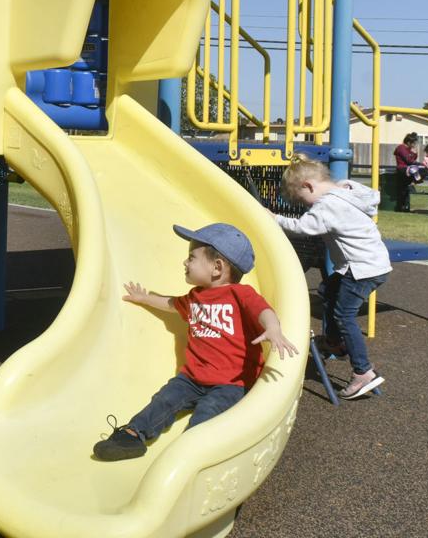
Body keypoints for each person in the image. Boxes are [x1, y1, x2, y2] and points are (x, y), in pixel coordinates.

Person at [93, 223, 297, 461]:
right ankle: (132, 434)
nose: (185, 263)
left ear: (217, 267)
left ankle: (189, 456)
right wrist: (145, 298)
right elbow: (170, 304)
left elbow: (264, 311)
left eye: (192, 257)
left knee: (207, 415)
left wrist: (273, 328)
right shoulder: (195, 297)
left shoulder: (240, 294)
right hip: (191, 379)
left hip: (231, 384)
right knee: (164, 399)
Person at [272, 155, 391, 399]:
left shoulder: (327, 205)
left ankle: (363, 371)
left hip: (360, 268)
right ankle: (336, 342)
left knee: (344, 315)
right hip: (370, 264)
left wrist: (273, 218)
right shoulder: (345, 191)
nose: (307, 205)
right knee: (328, 290)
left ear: (308, 185)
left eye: (304, 200)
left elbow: (304, 227)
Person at [393, 132, 419, 212]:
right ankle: (401, 207)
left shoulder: (408, 150)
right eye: (413, 143)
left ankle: (406, 207)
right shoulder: (401, 148)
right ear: (408, 142)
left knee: (405, 189)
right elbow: (409, 160)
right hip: (402, 169)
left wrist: (414, 154)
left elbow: (412, 159)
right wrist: (414, 153)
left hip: (407, 168)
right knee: (402, 190)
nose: (414, 145)